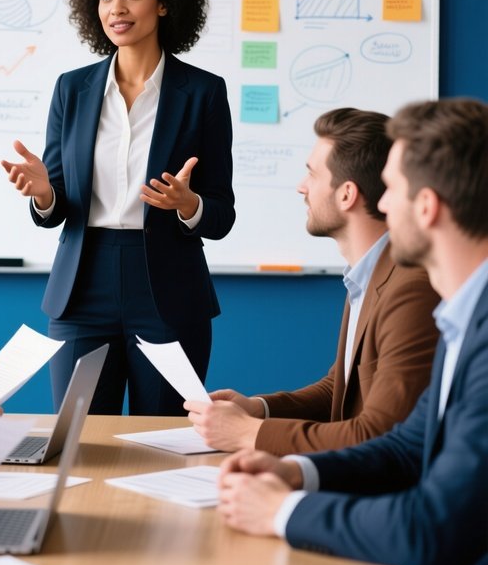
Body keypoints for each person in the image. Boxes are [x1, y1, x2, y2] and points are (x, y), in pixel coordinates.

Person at [217, 98, 488, 565]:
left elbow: (433, 527)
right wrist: (294, 472)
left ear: (426, 207)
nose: (382, 206)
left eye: (395, 192)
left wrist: (282, 511)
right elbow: (408, 445)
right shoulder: (465, 315)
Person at [1, 0, 235, 415]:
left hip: (168, 288)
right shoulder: (73, 89)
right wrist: (45, 194)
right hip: (82, 287)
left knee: (164, 444)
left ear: (164, 2)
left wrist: (189, 205)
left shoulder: (204, 93)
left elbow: (222, 215)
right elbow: (55, 208)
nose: (116, 8)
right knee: (78, 442)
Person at [186, 108, 439, 454]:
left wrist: (250, 434)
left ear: (347, 194)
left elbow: (379, 433)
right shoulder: (369, 272)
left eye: (312, 175)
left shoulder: (410, 288)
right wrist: (258, 409)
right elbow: (341, 384)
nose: (301, 187)